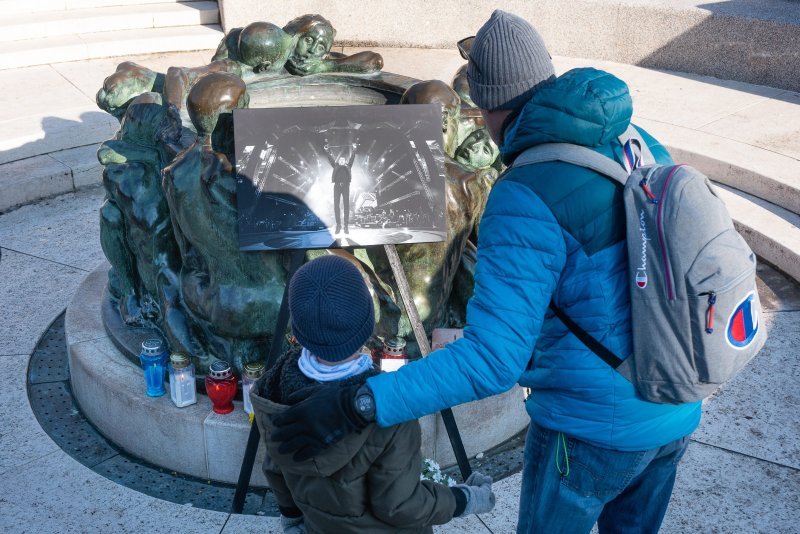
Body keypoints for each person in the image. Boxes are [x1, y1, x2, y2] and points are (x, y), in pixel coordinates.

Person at [272, 10, 702, 533]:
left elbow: (493, 364)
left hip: (591, 431)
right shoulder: (634, 138)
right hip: (676, 400)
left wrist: (362, 401)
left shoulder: (524, 193)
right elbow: (617, 286)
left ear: (487, 106)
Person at [250, 255, 495, 533]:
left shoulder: (273, 389)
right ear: (368, 323)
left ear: (298, 330)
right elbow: (401, 507)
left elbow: (275, 465)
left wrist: (293, 518)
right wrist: (463, 499)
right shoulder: (387, 408)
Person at [325, 142, 359, 234]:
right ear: (339, 161)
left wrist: (354, 149)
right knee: (336, 206)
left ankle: (346, 226)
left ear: (345, 161)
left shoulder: (348, 166)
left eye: (343, 160)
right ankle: (338, 225)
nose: (342, 161)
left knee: (346, 206)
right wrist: (327, 151)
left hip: (346, 186)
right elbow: (331, 159)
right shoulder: (335, 166)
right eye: (340, 160)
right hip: (336, 186)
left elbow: (352, 158)